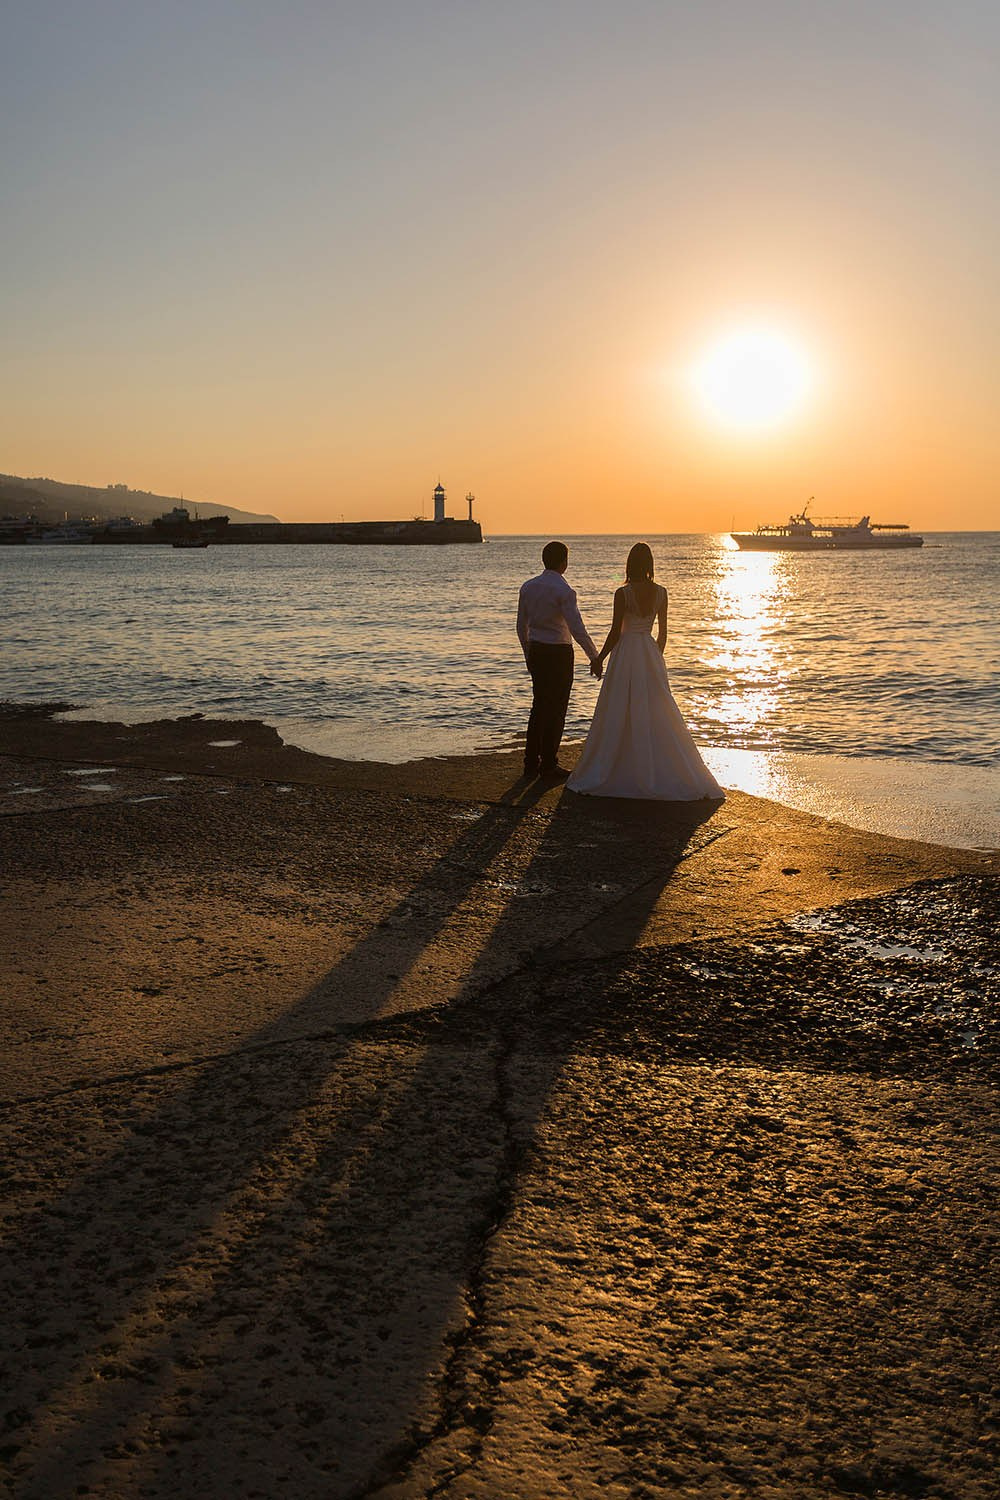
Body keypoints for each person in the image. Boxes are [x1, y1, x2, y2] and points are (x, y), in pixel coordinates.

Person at [567, 542, 724, 801]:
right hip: (649, 652)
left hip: (627, 652)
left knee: (620, 705)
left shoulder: (623, 593)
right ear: (650, 564)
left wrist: (599, 659)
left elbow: (616, 631)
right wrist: (655, 656)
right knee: (655, 707)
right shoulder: (661, 592)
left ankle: (620, 763)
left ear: (630, 565)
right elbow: (663, 632)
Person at [517, 540, 600, 780]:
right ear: (564, 562)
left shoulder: (528, 587)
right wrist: (594, 656)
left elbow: (521, 625)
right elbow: (577, 628)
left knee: (539, 706)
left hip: (537, 650)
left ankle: (531, 763)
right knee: (558, 708)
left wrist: (527, 653)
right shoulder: (565, 591)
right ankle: (549, 763)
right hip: (560, 652)